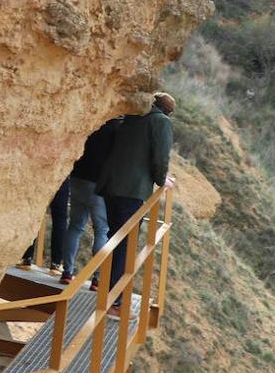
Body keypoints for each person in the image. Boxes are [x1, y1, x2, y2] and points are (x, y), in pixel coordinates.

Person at [95, 91, 174, 311]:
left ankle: (105, 288)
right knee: (126, 244)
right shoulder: (161, 122)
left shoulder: (132, 117)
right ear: (168, 111)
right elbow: (161, 157)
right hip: (131, 190)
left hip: (111, 185)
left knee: (114, 237)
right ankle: (115, 300)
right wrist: (161, 180)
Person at [59, 116, 123, 286]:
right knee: (102, 230)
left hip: (78, 178)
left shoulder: (92, 119)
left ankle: (67, 272)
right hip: (99, 185)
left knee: (75, 226)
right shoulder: (118, 128)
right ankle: (97, 279)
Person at [19, 181, 70, 274]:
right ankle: (56, 263)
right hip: (62, 179)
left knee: (34, 215)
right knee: (60, 220)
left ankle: (26, 258)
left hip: (42, 180)